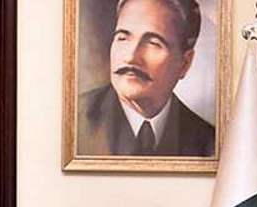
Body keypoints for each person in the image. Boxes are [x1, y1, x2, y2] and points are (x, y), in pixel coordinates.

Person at [78, 0, 215, 156]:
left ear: (184, 63)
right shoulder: (76, 122)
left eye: (153, 43)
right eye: (122, 38)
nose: (131, 57)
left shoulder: (208, 143)